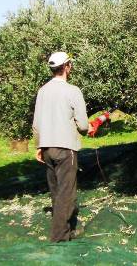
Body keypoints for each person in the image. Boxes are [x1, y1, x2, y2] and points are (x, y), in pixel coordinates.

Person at [32, 52, 90, 242]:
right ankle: (59, 239)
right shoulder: (73, 91)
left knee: (56, 192)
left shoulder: (42, 91)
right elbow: (82, 125)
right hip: (66, 149)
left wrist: (39, 146)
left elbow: (36, 124)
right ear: (67, 67)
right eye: (70, 64)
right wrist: (89, 127)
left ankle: (66, 231)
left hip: (47, 148)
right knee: (67, 194)